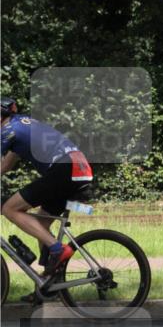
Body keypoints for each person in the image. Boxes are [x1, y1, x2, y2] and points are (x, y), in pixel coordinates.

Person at [0, 97, 94, 277]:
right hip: (77, 167)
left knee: (9, 209)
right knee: (41, 225)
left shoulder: (7, 131)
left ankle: (58, 249)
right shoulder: (22, 124)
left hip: (64, 168)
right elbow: (4, 166)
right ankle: (50, 280)